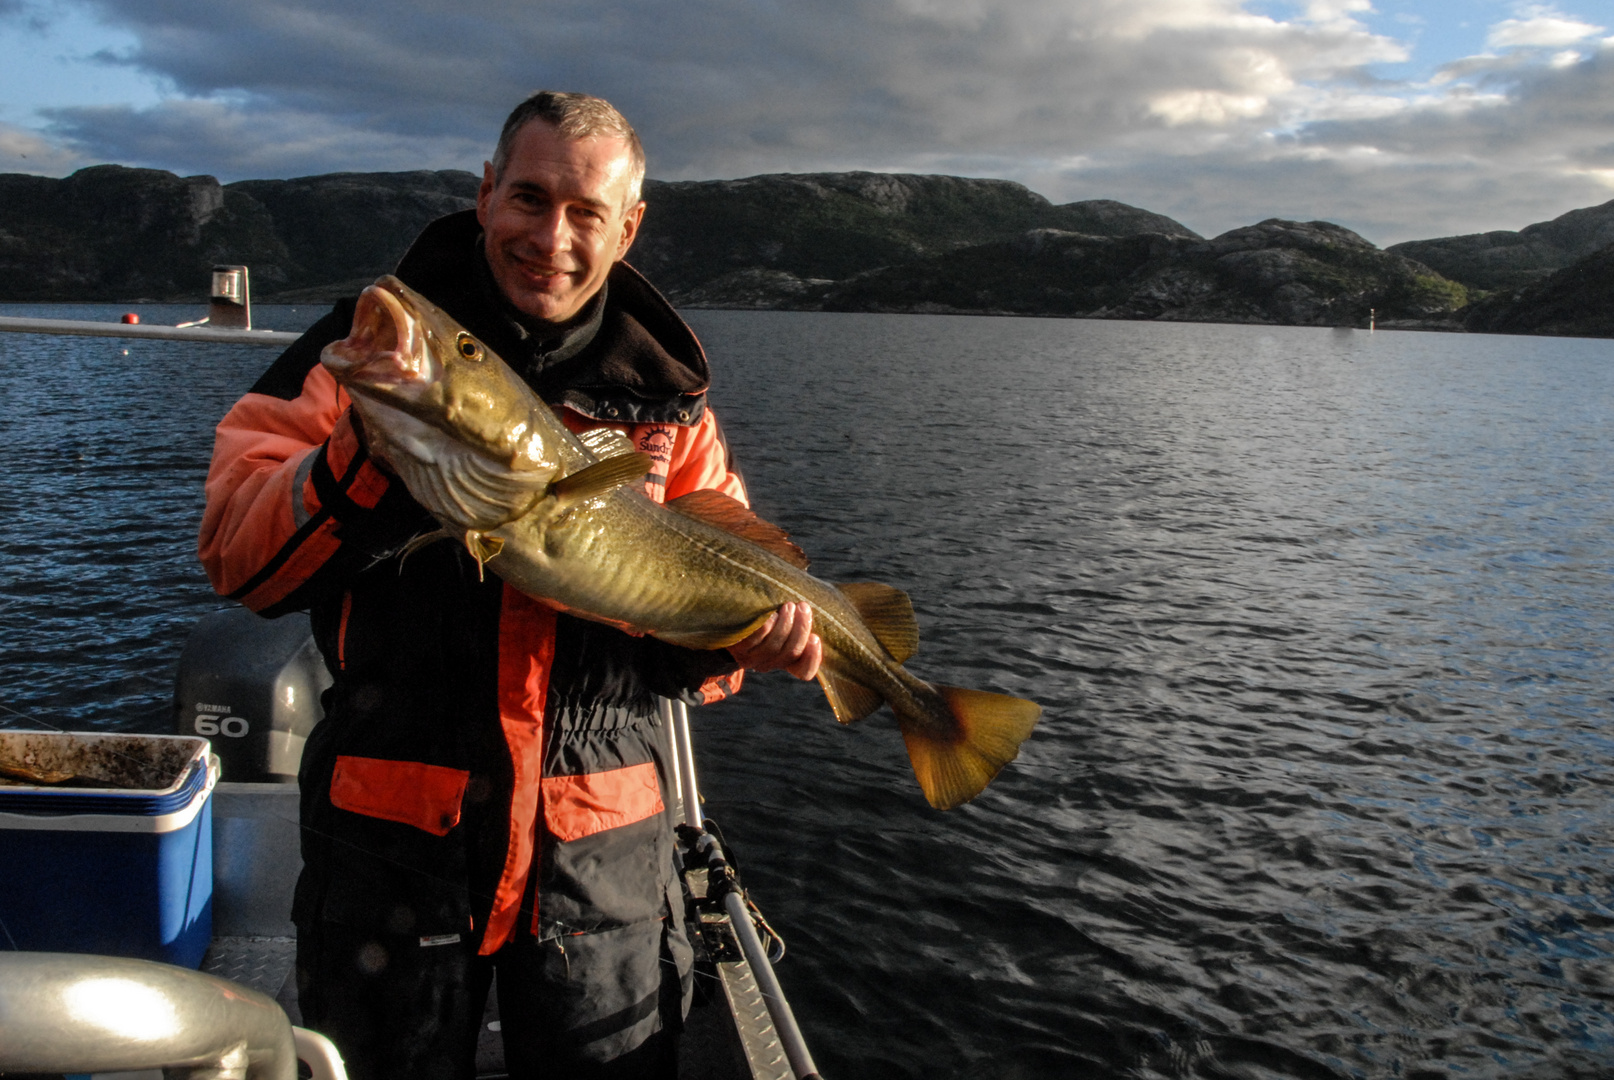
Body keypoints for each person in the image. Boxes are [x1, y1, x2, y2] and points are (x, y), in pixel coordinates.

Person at [198, 91, 820, 1080]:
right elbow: (235, 550)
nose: (553, 237)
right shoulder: (373, 356)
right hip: (392, 848)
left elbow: (694, 674)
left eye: (586, 213)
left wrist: (744, 645)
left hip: (604, 862)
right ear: (485, 195)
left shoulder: (671, 406)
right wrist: (370, 451)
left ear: (629, 227)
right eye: (529, 198)